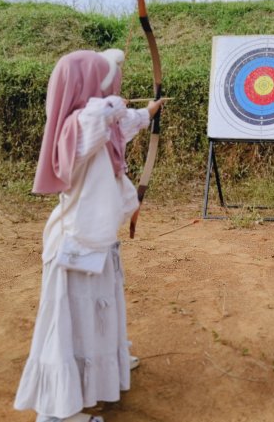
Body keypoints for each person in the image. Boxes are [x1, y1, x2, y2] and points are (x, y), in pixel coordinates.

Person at [14, 49, 164, 422]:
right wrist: (114, 94)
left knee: (99, 314)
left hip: (96, 242)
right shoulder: (75, 128)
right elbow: (102, 116)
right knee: (68, 326)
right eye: (102, 83)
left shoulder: (101, 127)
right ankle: (55, 414)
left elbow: (123, 123)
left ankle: (107, 369)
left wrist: (148, 113)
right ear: (84, 88)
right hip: (74, 246)